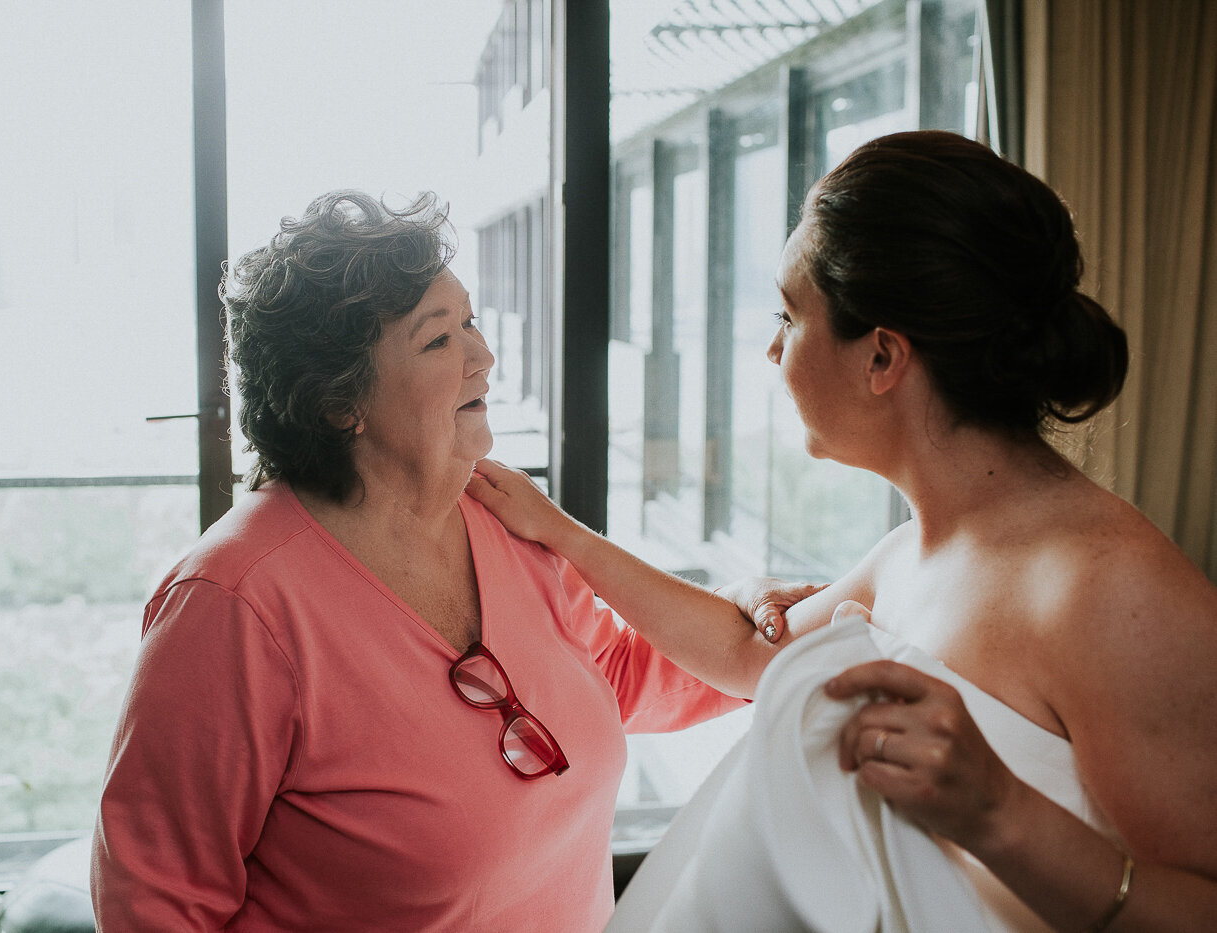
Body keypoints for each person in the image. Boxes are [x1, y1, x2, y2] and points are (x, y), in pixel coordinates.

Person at [467, 131, 1217, 930]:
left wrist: (1000, 812)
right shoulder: (911, 551)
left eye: (788, 315)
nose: (769, 347)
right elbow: (743, 654)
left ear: (882, 356)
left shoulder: (1114, 593)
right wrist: (560, 533)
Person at [89, 190, 817, 931]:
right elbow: (156, 904)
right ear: (341, 402)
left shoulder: (499, 514)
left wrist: (764, 623)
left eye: (470, 321)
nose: (484, 356)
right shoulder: (231, 601)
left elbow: (612, 673)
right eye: (439, 340)